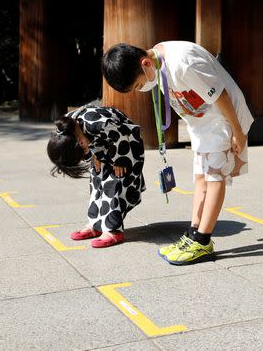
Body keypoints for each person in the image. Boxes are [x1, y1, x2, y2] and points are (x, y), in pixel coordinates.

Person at [102, 41, 254, 265]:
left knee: (214, 178)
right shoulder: (157, 62)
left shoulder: (183, 62)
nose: (141, 88)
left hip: (222, 121)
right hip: (203, 125)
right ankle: (194, 234)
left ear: (144, 63)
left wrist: (237, 132)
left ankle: (202, 240)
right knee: (201, 178)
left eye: (137, 85)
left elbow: (220, 95)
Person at [46, 106, 145, 248]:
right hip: (103, 144)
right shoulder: (64, 130)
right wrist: (93, 154)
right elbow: (86, 143)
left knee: (114, 183)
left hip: (126, 146)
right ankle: (95, 224)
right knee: (96, 181)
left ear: (80, 143)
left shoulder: (97, 124)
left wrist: (119, 159)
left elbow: (123, 134)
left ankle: (113, 230)